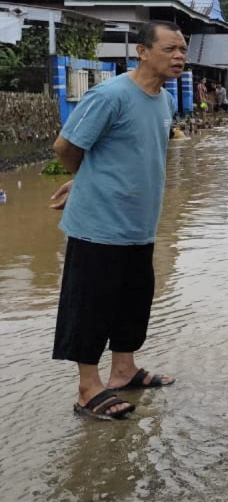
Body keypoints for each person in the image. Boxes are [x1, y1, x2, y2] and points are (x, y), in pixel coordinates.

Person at [48, 22, 187, 420]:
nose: (178, 57)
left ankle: (123, 370)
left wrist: (88, 175)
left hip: (139, 224)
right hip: (99, 223)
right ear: (142, 51)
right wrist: (86, 181)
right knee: (90, 303)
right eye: (170, 49)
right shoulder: (110, 95)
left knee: (134, 298)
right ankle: (87, 389)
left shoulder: (164, 99)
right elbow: (65, 146)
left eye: (182, 50)